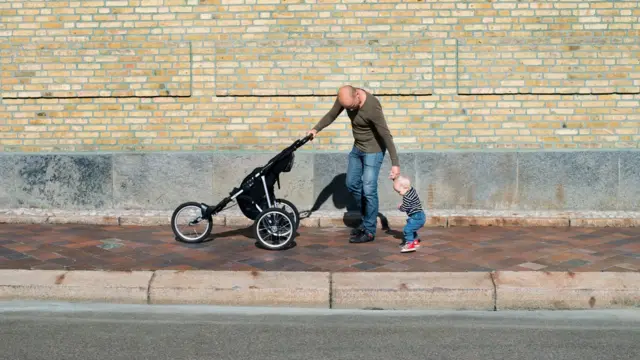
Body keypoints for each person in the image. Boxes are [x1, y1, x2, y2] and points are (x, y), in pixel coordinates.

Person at [307, 85, 400, 244]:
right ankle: (366, 219)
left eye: (352, 107)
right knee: (351, 184)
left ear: (358, 95)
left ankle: (369, 230)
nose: (350, 110)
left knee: (369, 189)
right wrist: (315, 129)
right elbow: (331, 115)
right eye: (347, 108)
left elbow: (385, 133)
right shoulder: (345, 98)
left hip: (374, 150)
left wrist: (395, 163)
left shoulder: (372, 107)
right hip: (358, 148)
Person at [393, 175, 426, 253]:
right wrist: (395, 179)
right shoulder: (412, 190)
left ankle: (410, 244)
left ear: (405, 188)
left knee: (407, 229)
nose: (399, 193)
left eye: (399, 191)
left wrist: (400, 207)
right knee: (412, 229)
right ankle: (415, 242)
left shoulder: (406, 197)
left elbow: (405, 208)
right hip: (420, 215)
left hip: (416, 217)